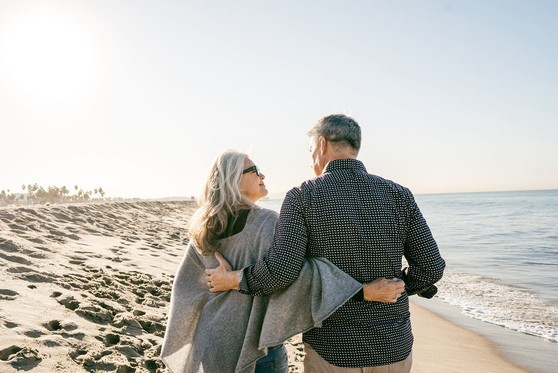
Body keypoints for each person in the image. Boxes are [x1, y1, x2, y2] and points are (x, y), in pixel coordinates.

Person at [206, 114, 446, 373]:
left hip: (333, 349)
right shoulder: (399, 194)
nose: (311, 160)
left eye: (311, 150)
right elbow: (431, 268)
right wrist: (399, 287)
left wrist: (234, 279)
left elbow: (282, 271)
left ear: (322, 144)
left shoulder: (302, 196)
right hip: (392, 347)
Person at [161, 149, 385, 373]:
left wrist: (222, 283)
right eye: (254, 170)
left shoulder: (203, 227)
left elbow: (185, 289)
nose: (263, 176)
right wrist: (361, 290)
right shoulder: (266, 222)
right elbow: (299, 275)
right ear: (234, 180)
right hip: (255, 348)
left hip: (211, 342)